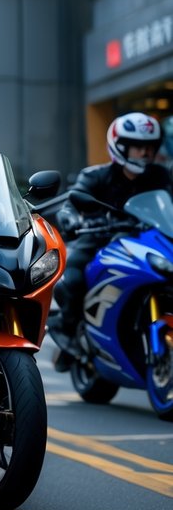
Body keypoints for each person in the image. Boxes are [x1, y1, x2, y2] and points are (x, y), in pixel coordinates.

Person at [49, 112, 171, 365]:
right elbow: (72, 202)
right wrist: (72, 219)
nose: (145, 154)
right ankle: (67, 327)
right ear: (121, 146)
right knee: (72, 278)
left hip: (148, 240)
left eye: (149, 147)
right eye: (138, 147)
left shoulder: (160, 176)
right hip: (99, 241)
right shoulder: (95, 176)